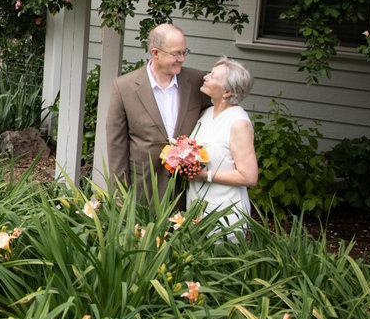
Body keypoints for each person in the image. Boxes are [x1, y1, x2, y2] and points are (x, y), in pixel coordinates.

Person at [105, 23, 211, 205]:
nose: (182, 59)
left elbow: (211, 122)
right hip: (143, 185)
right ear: (155, 53)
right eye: (176, 54)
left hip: (186, 188)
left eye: (184, 52)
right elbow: (117, 143)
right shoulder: (124, 87)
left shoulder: (196, 82)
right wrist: (119, 191)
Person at [188, 56, 258, 240]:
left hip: (225, 213)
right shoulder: (206, 113)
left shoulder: (238, 123)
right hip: (196, 206)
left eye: (212, 76)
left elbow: (249, 177)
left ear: (227, 91)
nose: (205, 77)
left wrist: (205, 175)